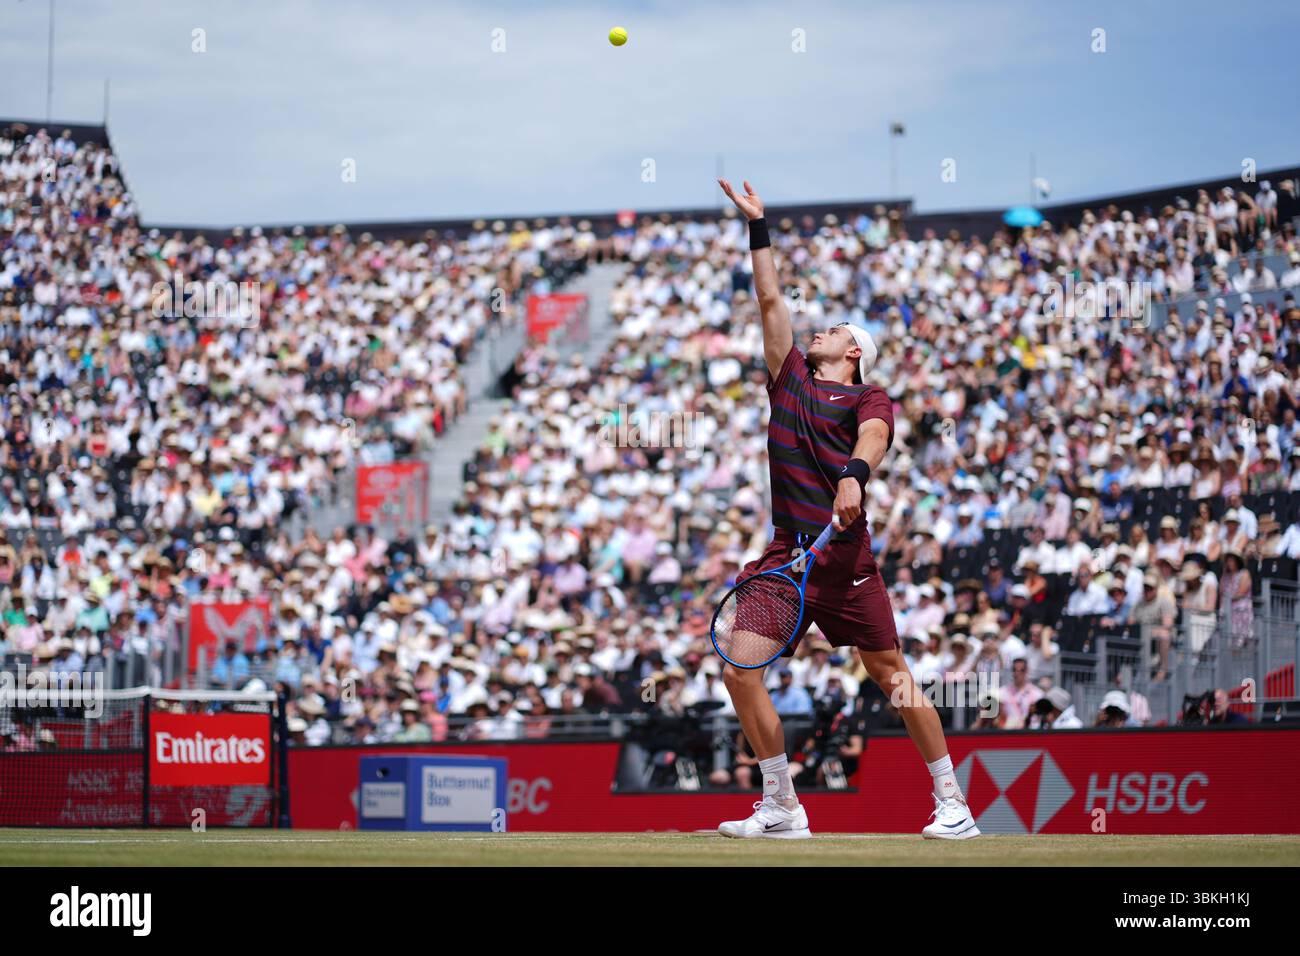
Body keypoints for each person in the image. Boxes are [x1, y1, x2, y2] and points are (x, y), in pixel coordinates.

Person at [713, 179, 978, 841]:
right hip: (785, 559)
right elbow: (770, 297)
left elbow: (876, 438)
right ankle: (783, 806)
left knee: (892, 676)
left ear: (853, 351)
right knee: (738, 668)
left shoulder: (870, 398)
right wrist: (758, 226)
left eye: (831, 330)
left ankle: (954, 803)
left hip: (847, 566)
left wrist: (855, 477)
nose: (818, 331)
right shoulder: (789, 381)